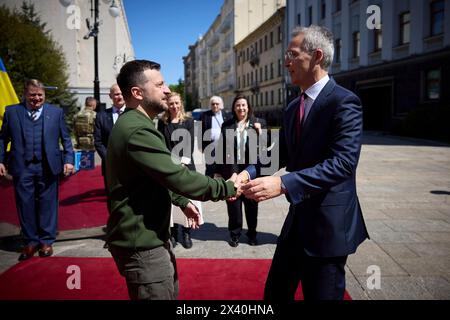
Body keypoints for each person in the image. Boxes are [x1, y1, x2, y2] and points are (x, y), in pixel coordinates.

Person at [238, 25, 369, 300]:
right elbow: (280, 153)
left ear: (317, 56)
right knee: (274, 293)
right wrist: (247, 174)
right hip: (297, 220)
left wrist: (284, 183)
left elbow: (343, 163)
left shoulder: (344, 102)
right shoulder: (292, 106)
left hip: (328, 226)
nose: (286, 62)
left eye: (292, 55)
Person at [105, 59, 239, 300]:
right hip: (143, 246)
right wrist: (227, 187)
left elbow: (153, 175)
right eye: (160, 84)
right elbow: (177, 175)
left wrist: (180, 200)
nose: (167, 90)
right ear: (137, 93)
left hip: (149, 239)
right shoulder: (137, 130)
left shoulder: (137, 124)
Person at [0, 79, 74, 261]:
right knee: (25, 205)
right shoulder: (12, 112)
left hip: (48, 166)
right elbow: (2, 139)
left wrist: (69, 160)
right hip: (22, 167)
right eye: (32, 95)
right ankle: (30, 242)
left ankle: (46, 241)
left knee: (48, 204)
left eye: (40, 95)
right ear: (25, 94)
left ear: (44, 95)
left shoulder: (55, 113)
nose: (36, 98)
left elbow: (66, 139)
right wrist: (0, 160)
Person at [215, 95, 266, 247]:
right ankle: (235, 234)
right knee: (233, 206)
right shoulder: (227, 125)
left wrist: (261, 133)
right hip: (232, 171)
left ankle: (252, 234)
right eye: (238, 105)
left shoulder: (259, 123)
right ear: (234, 108)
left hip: (251, 171)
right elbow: (220, 149)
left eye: (244, 105)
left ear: (248, 107)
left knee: (251, 204)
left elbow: (266, 148)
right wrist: (217, 171)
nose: (241, 108)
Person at [157, 92, 199, 249]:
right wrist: (170, 165)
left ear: (181, 103)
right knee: (172, 201)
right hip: (169, 167)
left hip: (186, 166)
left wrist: (182, 164)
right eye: (171, 103)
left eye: (176, 103)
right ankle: (174, 233)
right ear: (167, 105)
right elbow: (161, 144)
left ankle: (187, 233)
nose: (174, 106)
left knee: (187, 199)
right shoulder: (163, 122)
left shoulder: (188, 121)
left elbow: (189, 144)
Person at [94, 84, 125, 190]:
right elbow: (98, 142)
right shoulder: (101, 116)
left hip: (131, 165)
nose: (120, 96)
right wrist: (109, 159)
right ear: (110, 96)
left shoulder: (134, 113)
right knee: (112, 198)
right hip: (110, 166)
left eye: (122, 93)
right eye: (116, 94)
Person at [200, 95, 231, 177]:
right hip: (210, 146)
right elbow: (200, 132)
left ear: (221, 105)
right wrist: (202, 146)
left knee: (223, 167)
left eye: (217, 104)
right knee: (210, 168)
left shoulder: (227, 115)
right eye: (213, 104)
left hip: (224, 146)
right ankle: (208, 186)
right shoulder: (205, 115)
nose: (215, 106)